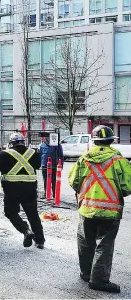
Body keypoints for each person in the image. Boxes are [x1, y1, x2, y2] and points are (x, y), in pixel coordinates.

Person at [69, 125, 131, 294]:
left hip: (87, 209)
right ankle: (99, 280)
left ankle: (86, 273)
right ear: (111, 141)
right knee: (104, 244)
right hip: (110, 211)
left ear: (93, 140)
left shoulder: (84, 159)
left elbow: (74, 182)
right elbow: (128, 186)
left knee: (85, 242)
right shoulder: (119, 161)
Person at [0, 132, 45, 249]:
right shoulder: (33, 153)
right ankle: (40, 240)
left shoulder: (4, 154)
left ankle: (26, 230)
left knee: (11, 212)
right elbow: (38, 165)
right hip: (30, 189)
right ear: (23, 142)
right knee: (33, 214)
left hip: (11, 189)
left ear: (11, 143)